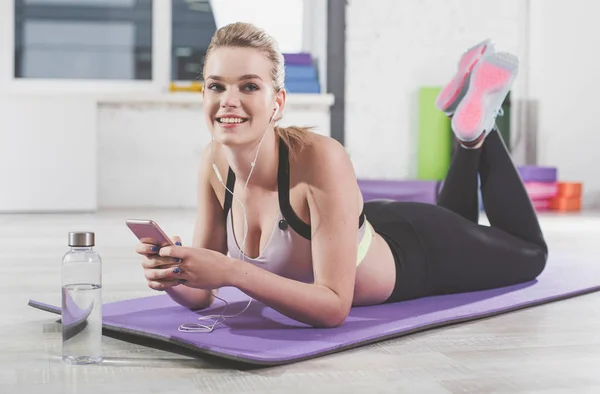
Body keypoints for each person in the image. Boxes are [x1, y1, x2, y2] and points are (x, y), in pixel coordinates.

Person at [135, 23, 548, 328]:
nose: (229, 101)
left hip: (420, 252)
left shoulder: (321, 158)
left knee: (531, 255)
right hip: (362, 228)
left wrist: (231, 272)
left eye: (248, 87)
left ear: (277, 102)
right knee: (461, 218)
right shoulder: (213, 161)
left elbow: (333, 306)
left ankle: (478, 131)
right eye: (216, 86)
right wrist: (173, 272)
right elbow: (202, 292)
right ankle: (465, 122)